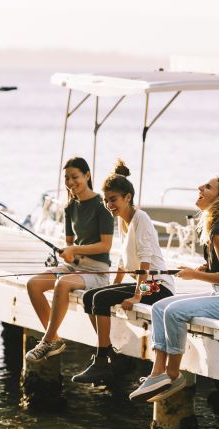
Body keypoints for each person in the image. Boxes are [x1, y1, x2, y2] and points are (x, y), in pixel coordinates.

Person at [129, 177, 219, 402]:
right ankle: (157, 373)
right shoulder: (216, 227)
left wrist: (194, 275)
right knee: (159, 307)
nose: (200, 188)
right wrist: (202, 268)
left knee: (175, 312)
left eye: (208, 187)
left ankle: (173, 374)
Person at [72, 160, 175, 384]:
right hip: (146, 283)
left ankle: (101, 360)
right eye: (107, 200)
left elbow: (145, 260)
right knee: (91, 297)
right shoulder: (122, 221)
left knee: (100, 299)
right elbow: (122, 260)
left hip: (158, 285)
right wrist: (114, 284)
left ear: (127, 197)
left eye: (114, 199)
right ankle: (107, 351)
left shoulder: (141, 218)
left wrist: (137, 294)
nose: (109, 205)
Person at [25, 157, 114, 362]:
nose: (70, 182)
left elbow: (105, 246)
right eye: (66, 178)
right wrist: (69, 252)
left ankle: (46, 341)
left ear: (87, 176)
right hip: (74, 268)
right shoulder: (69, 207)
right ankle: (54, 338)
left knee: (62, 284)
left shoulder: (102, 206)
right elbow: (69, 243)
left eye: (75, 177)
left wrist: (74, 249)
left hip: (97, 271)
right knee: (34, 285)